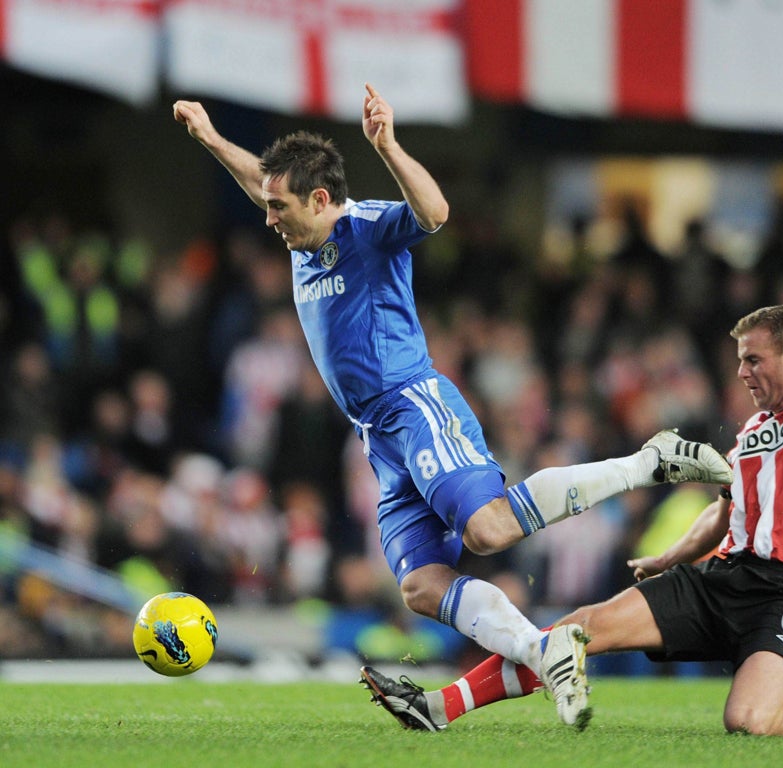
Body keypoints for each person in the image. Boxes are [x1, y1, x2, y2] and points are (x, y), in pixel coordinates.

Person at [172, 84, 732, 729]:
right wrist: (212, 139)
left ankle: (647, 462)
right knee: (420, 586)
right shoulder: (303, 232)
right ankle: (545, 651)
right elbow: (261, 182)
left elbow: (434, 212)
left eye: (279, 208)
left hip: (414, 403)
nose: (269, 218)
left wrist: (389, 146)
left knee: (488, 531)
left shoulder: (367, 226)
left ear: (320, 200)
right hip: (378, 436)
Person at [361, 238, 783, 736]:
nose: (740, 373)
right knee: (576, 630)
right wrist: (669, 559)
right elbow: (723, 512)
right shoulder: (755, 431)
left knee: (748, 722)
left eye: (752, 360)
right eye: (739, 360)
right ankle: (438, 706)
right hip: (724, 578)